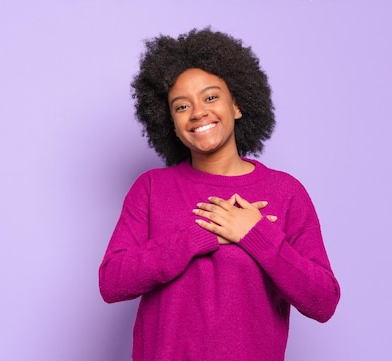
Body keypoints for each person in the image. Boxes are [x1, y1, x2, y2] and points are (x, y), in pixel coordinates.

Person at [99, 28, 340, 361]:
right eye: (182, 106)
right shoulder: (152, 188)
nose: (198, 112)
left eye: (210, 97)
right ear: (170, 120)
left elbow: (323, 301)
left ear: (237, 105)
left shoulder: (286, 193)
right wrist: (198, 237)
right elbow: (112, 282)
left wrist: (257, 235)